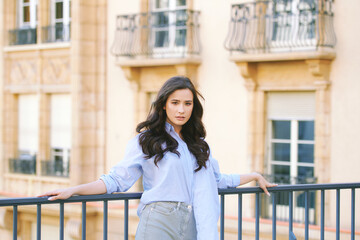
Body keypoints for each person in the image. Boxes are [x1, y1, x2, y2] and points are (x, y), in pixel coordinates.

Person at [38, 76, 277, 240]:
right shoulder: (148, 141)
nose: (181, 110)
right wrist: (74, 190)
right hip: (159, 222)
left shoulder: (199, 146)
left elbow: (217, 180)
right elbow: (115, 180)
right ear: (163, 105)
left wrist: (254, 175)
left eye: (187, 103)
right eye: (175, 103)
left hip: (193, 224)